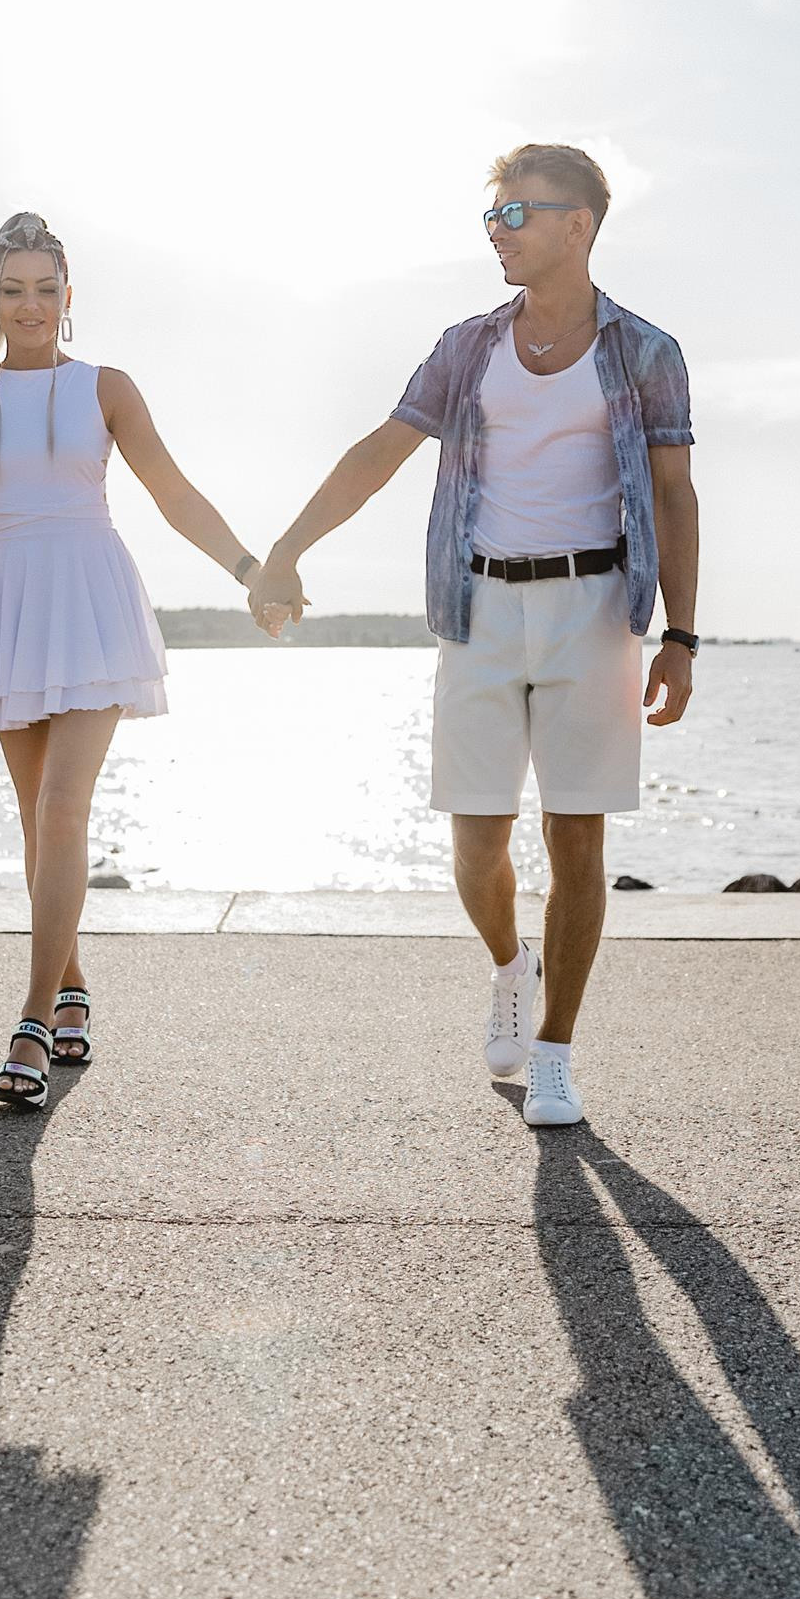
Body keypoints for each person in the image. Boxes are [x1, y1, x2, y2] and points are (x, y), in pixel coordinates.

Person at [247, 144, 699, 1129]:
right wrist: (283, 549)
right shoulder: (465, 347)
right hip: (479, 609)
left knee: (575, 837)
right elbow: (380, 452)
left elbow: (672, 492)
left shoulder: (646, 353)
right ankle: (509, 963)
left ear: (575, 226)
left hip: (595, 612)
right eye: (490, 217)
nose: (495, 233)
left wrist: (682, 636)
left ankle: (554, 1052)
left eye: (513, 216)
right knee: (473, 845)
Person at [0, 211, 271, 1108]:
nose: (31, 305)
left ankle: (35, 1022)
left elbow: (171, 492)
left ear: (69, 297)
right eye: (13, 290)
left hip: (91, 603)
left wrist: (250, 569)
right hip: (7, 605)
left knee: (61, 805)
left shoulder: (107, 388)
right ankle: (75, 984)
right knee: (36, 821)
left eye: (47, 288)